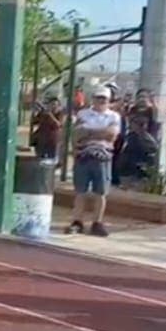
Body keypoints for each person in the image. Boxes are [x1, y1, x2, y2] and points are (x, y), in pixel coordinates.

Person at [66, 86, 120, 237]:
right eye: (98, 97)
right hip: (83, 155)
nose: (101, 101)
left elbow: (111, 135)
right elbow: (77, 134)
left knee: (100, 192)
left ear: (109, 100)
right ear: (93, 98)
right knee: (80, 191)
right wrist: (100, 133)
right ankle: (77, 222)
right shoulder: (83, 114)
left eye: (104, 98)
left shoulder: (114, 116)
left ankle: (97, 223)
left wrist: (88, 133)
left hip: (103, 157)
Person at [116, 113, 159, 188]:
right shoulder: (130, 136)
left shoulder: (146, 139)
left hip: (136, 173)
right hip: (125, 171)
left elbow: (152, 152)